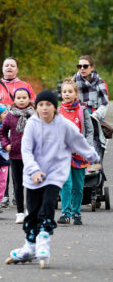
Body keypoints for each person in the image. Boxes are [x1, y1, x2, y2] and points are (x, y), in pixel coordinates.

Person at [6, 90, 99, 268]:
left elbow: (79, 142)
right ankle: (30, 246)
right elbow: (26, 150)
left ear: (54, 108)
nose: (44, 108)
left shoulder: (64, 125)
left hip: (55, 174)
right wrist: (33, 171)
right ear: (36, 107)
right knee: (32, 211)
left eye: (48, 104)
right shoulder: (32, 124)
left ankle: (43, 240)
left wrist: (94, 157)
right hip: (33, 175)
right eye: (41, 105)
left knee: (47, 205)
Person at [0, 56, 36, 207]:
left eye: (12, 65)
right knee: (3, 161)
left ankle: (17, 193)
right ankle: (4, 194)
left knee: (17, 161)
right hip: (1, 126)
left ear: (17, 69)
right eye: (6, 65)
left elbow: (33, 103)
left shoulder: (25, 85)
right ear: (2, 69)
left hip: (20, 127)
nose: (9, 67)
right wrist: (1, 109)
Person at [57, 78, 95, 225]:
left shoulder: (82, 110)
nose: (67, 94)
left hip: (80, 155)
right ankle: (65, 213)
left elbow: (89, 130)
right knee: (66, 184)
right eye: (64, 91)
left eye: (70, 91)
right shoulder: (58, 111)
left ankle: (76, 213)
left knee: (78, 187)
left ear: (75, 94)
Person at [0, 87, 35, 224]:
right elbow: (2, 132)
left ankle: (30, 210)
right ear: (14, 100)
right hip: (15, 155)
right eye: (18, 98)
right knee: (18, 185)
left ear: (29, 99)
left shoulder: (34, 115)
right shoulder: (10, 116)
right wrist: (5, 144)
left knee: (31, 184)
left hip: (32, 155)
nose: (21, 100)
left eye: (24, 97)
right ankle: (20, 212)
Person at [73, 55, 109, 120]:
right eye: (79, 66)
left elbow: (104, 104)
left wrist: (94, 116)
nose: (82, 68)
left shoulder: (100, 83)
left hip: (96, 117)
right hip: (77, 117)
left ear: (92, 67)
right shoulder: (73, 82)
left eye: (85, 66)